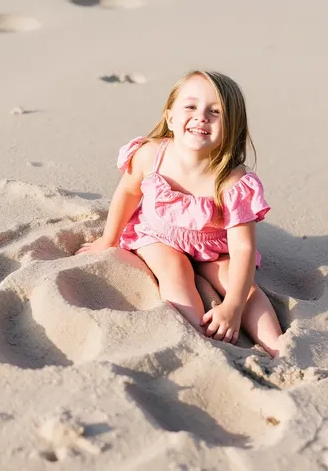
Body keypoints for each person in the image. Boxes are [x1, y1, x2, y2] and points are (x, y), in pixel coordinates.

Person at [76, 70, 282, 357]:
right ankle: (198, 339)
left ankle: (280, 349)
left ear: (232, 127)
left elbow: (243, 247)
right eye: (190, 106)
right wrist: (108, 239)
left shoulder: (232, 181)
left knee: (239, 285)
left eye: (215, 111)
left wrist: (231, 307)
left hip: (213, 246)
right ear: (171, 117)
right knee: (177, 272)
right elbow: (128, 193)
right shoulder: (151, 155)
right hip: (158, 234)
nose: (201, 117)